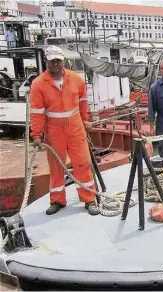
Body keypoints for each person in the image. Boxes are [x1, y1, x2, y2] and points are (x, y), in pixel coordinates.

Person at [30, 45, 99, 216]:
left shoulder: (77, 80)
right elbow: (37, 112)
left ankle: (89, 199)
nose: (55, 64)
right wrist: (36, 135)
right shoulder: (38, 84)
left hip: (76, 128)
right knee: (56, 167)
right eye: (52, 60)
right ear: (46, 61)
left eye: (58, 60)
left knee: (83, 163)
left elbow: (83, 103)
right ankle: (57, 200)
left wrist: (85, 120)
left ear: (63, 61)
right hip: (54, 131)